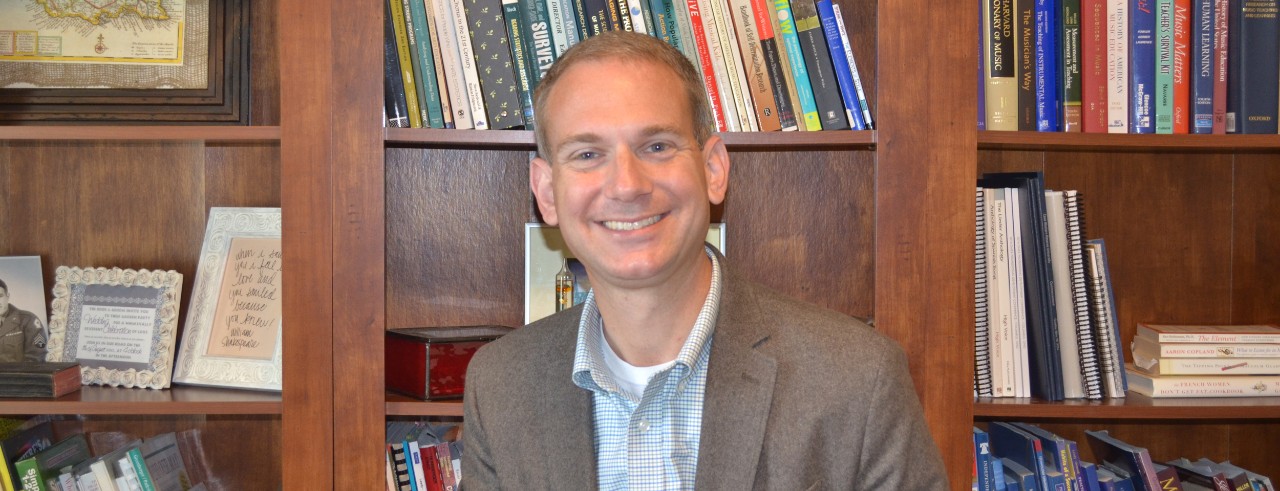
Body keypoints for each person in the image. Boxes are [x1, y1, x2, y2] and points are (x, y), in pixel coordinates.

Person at [461, 31, 947, 490]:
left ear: (713, 169)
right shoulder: (501, 385)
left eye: (657, 146)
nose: (627, 185)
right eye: (588, 154)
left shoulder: (858, 379)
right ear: (547, 193)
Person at [0, 278, 47, 363]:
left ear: (7, 296)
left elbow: (37, 357)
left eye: (0, 296)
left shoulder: (28, 320)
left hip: (20, 375)